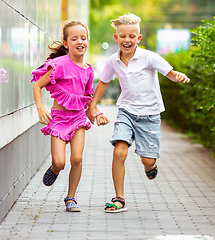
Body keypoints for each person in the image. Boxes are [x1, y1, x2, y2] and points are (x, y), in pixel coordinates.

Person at [86, 14, 190, 213]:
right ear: (116, 38)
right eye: (123, 36)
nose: (127, 40)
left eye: (132, 36)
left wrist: (177, 77)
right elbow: (103, 83)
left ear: (139, 38)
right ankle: (119, 198)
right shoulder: (113, 61)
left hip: (150, 115)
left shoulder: (149, 57)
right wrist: (92, 106)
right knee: (119, 151)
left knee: (148, 160)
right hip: (126, 111)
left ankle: (150, 166)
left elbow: (170, 73)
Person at [31, 20, 109, 212]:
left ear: (88, 41)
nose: (79, 41)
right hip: (58, 119)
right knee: (60, 161)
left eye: (83, 38)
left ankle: (71, 197)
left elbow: (88, 99)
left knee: (76, 159)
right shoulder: (59, 65)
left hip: (78, 120)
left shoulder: (89, 70)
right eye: (74, 38)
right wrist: (41, 109)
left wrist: (97, 113)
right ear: (66, 43)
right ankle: (55, 170)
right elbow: (37, 86)